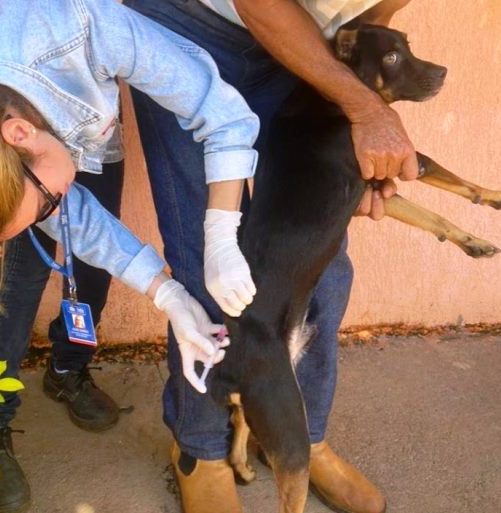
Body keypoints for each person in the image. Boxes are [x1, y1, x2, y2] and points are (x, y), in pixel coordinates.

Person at [0, 1, 265, 512]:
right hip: (34, 124)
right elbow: (64, 214)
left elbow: (221, 111)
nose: (53, 214)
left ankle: (68, 370)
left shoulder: (89, 25)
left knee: (87, 265)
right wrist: (170, 293)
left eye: (43, 206)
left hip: (77, 107)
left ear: (19, 136)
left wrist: (221, 234)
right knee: (18, 278)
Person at [124, 1, 418, 513]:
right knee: (208, 260)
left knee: (316, 254)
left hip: (298, 50)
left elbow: (369, 17)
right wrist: (367, 110)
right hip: (185, 26)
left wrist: (361, 135)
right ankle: (202, 450)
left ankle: (300, 433)